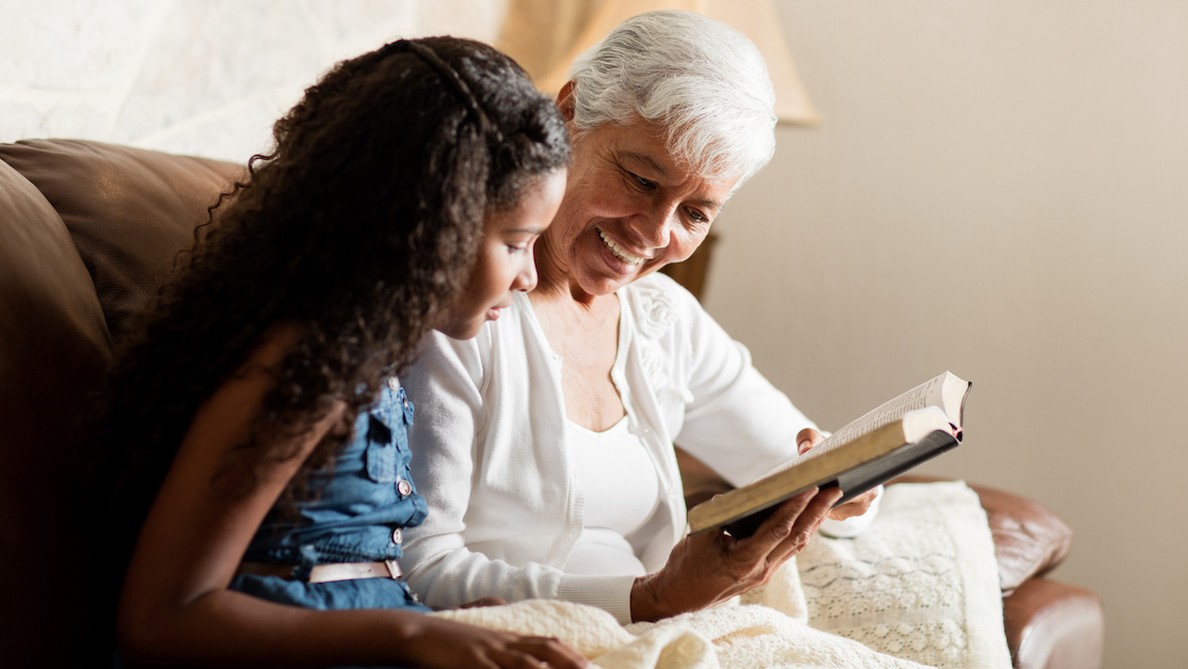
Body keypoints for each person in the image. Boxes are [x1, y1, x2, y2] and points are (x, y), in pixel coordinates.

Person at [97, 36, 587, 668]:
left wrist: (447, 624)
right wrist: (412, 636)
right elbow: (164, 615)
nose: (527, 277)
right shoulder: (298, 366)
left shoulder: (371, 363)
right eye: (518, 242)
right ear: (431, 225)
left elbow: (349, 573)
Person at [402, 11, 882, 625]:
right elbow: (417, 570)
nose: (657, 234)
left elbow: (802, 460)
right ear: (570, 113)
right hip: (512, 641)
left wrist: (853, 488)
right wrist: (650, 600)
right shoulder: (463, 308)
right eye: (641, 178)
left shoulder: (664, 320)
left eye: (697, 214)